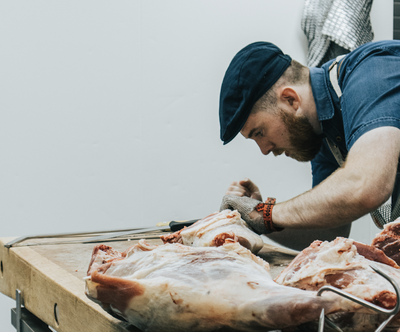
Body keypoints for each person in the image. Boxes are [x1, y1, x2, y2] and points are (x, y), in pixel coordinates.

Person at [219, 40, 400, 250]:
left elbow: (366, 185)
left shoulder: (371, 72)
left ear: (290, 99)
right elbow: (331, 232)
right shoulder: (322, 131)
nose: (265, 149)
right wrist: (255, 219)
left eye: (259, 132)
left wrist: (265, 214)